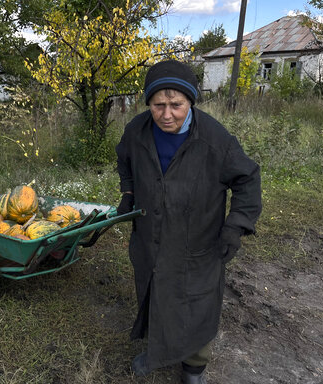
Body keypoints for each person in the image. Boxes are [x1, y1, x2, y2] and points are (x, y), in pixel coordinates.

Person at [115, 60, 262, 384]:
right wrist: (128, 191)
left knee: (197, 302)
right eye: (158, 105)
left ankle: (194, 368)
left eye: (176, 105)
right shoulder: (136, 131)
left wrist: (235, 225)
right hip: (150, 237)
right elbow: (123, 159)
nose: (167, 114)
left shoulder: (214, 139)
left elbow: (248, 178)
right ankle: (157, 350)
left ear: (190, 102)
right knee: (156, 292)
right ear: (148, 104)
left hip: (199, 240)